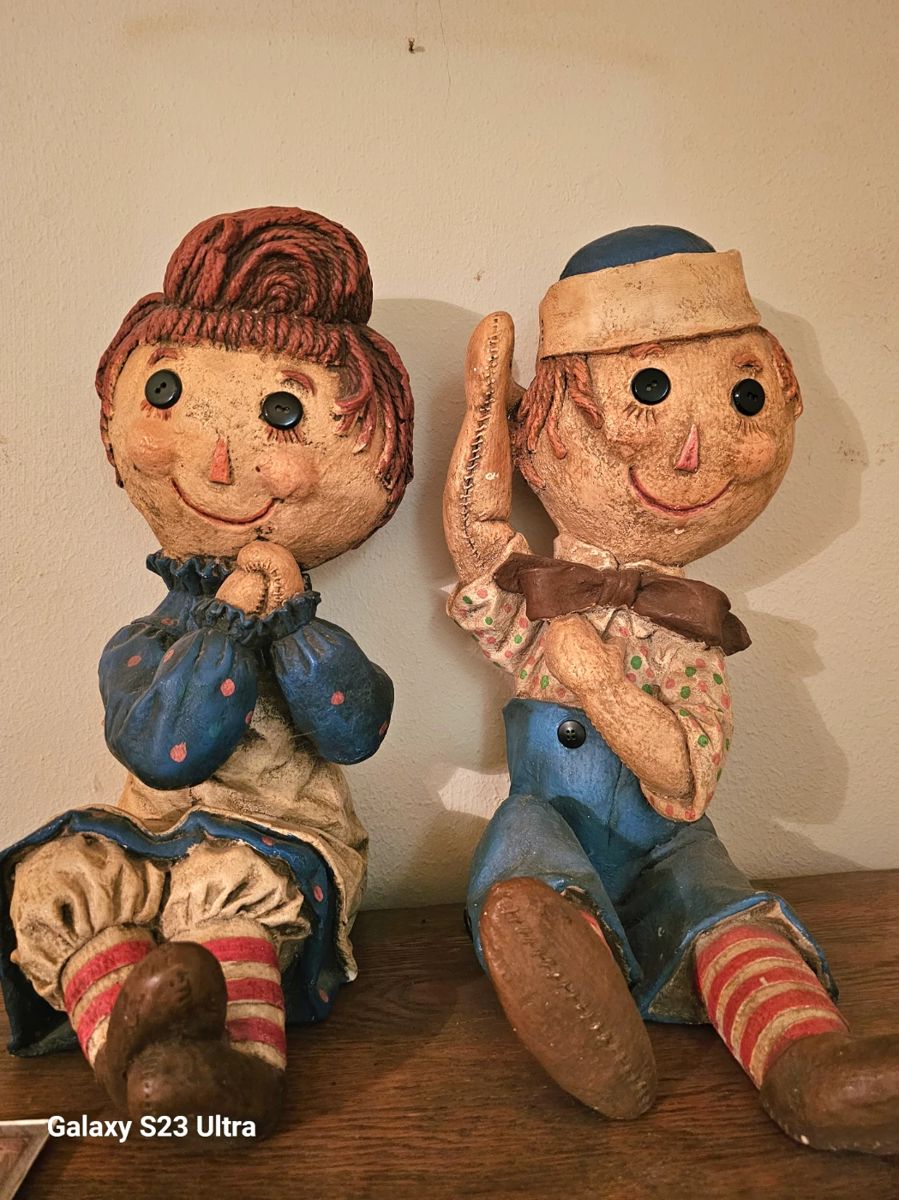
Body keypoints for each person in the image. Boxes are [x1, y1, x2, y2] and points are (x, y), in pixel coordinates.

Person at [443, 225, 898, 1153]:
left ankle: (809, 1065)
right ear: (541, 442)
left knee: (726, 912)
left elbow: (685, 775)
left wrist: (596, 679)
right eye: (647, 390)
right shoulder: (542, 591)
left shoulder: (690, 628)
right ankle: (580, 1000)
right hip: (556, 828)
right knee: (524, 866)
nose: (697, 451)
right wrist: (485, 410)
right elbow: (478, 536)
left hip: (665, 845)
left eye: (741, 398)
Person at [0, 207, 413, 1135]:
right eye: (173, 393)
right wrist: (225, 622)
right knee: (58, 874)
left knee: (219, 885)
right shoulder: (140, 644)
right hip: (152, 834)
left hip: (277, 846)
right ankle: (131, 1055)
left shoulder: (308, 629)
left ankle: (243, 1067)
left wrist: (293, 624)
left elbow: (356, 728)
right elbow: (170, 749)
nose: (221, 454)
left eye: (282, 413)